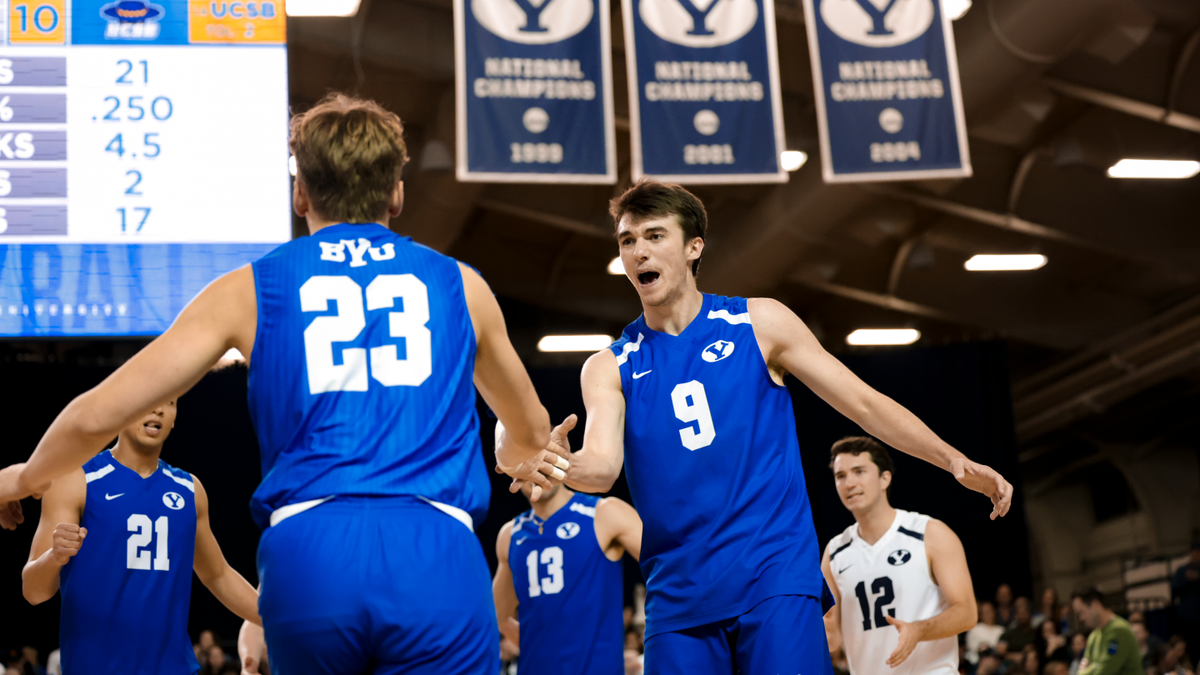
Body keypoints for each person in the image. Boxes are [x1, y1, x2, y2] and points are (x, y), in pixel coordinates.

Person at [0, 93, 562, 674]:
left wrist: (22, 479)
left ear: (301, 195)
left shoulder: (250, 287)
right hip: (435, 545)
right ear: (397, 191)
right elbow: (531, 432)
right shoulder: (461, 285)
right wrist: (510, 451)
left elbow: (93, 416)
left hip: (310, 551)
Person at [528, 180, 1013, 675]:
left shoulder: (758, 323)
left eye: (654, 236)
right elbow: (602, 468)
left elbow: (864, 404)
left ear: (694, 247)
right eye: (627, 240)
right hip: (678, 595)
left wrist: (953, 458)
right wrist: (556, 462)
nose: (637, 251)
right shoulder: (609, 365)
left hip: (773, 575)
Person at [21, 400, 260, 674]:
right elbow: (33, 591)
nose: (158, 409)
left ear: (174, 419)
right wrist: (54, 557)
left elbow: (218, 575)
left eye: (169, 402)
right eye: (151, 398)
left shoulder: (189, 489)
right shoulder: (75, 479)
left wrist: (278, 619)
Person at [821, 437, 978, 675]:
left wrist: (919, 629)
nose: (849, 483)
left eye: (859, 471)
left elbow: (966, 613)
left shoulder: (930, 533)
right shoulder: (834, 551)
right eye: (840, 476)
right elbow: (831, 638)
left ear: (885, 478)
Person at [492, 442, 643, 675]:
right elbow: (497, 616)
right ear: (512, 469)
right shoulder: (510, 535)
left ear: (563, 454)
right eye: (528, 458)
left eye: (546, 455)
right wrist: (539, 643)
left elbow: (668, 568)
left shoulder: (605, 514)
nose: (539, 466)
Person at [1072, 588, 1143, 675]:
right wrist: (1095, 667)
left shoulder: (1118, 631)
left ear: (1095, 604)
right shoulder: (1093, 636)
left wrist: (1090, 668)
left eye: (1081, 612)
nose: (1081, 618)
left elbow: (1106, 670)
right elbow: (1081, 669)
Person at [1173, 544, 1200, 664]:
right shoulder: (1182, 570)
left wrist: (1198, 578)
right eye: (1195, 552)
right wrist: (1187, 580)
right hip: (1187, 617)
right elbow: (1175, 590)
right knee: (1190, 647)